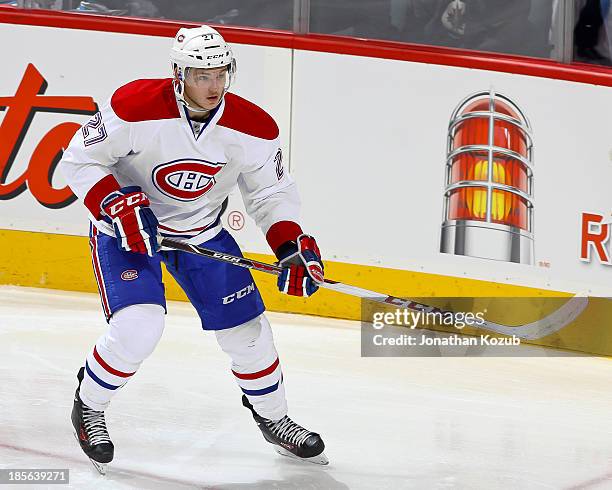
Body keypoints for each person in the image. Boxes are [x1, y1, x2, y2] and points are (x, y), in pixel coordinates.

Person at [59, 25, 328, 473]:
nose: (214, 85)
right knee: (139, 327)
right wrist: (115, 204)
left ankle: (275, 418)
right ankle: (88, 405)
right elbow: (80, 158)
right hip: (129, 233)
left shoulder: (254, 127)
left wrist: (289, 245)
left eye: (221, 73)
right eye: (202, 76)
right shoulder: (133, 106)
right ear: (179, 74)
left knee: (250, 333)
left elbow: (269, 195)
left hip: (200, 233)